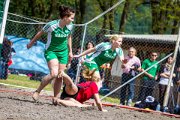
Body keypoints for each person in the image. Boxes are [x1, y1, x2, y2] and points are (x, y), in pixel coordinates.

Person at [26, 5, 75, 104]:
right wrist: (31, 43)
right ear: (65, 17)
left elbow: (69, 37)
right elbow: (40, 33)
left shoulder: (70, 26)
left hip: (63, 52)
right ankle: (38, 91)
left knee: (60, 76)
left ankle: (56, 98)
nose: (73, 20)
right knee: (54, 73)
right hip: (51, 51)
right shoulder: (52, 25)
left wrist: (70, 51)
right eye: (72, 18)